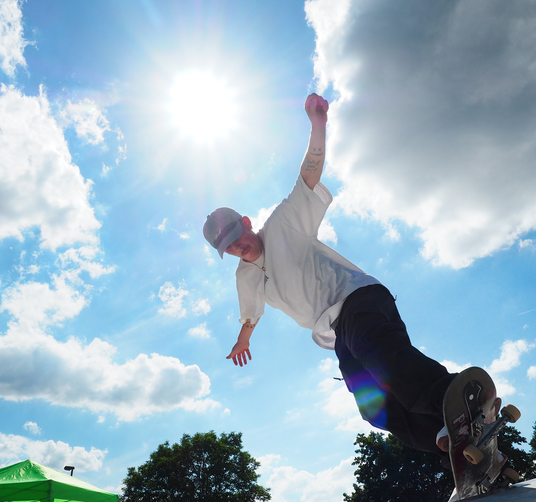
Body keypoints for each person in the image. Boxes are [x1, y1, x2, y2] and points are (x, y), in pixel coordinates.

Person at [204, 93, 488, 458]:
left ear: (246, 223)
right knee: (374, 407)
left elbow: (308, 176)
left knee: (381, 359)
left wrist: (318, 126)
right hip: (340, 331)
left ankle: (460, 401)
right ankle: (455, 442)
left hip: (357, 300)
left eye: (236, 237)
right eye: (227, 247)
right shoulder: (244, 279)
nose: (237, 247)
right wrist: (243, 341)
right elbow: (251, 314)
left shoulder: (283, 224)